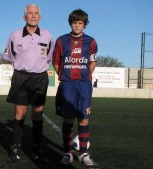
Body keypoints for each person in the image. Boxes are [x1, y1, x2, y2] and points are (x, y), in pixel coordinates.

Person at [2, 4, 54, 164]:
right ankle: (16, 150)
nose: (33, 16)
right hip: (21, 78)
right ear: (24, 17)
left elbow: (49, 57)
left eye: (36, 13)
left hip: (40, 78)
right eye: (30, 13)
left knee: (37, 114)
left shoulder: (48, 36)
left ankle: (37, 149)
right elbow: (9, 57)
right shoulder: (15, 35)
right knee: (20, 114)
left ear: (40, 17)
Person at [52, 9, 98, 167]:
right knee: (68, 119)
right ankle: (67, 152)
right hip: (67, 85)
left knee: (84, 119)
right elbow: (56, 61)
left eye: (80, 23)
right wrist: (64, 76)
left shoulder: (91, 41)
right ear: (70, 23)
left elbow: (93, 61)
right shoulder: (61, 40)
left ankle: (83, 153)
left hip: (84, 85)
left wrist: (85, 75)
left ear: (84, 24)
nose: (77, 25)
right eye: (74, 22)